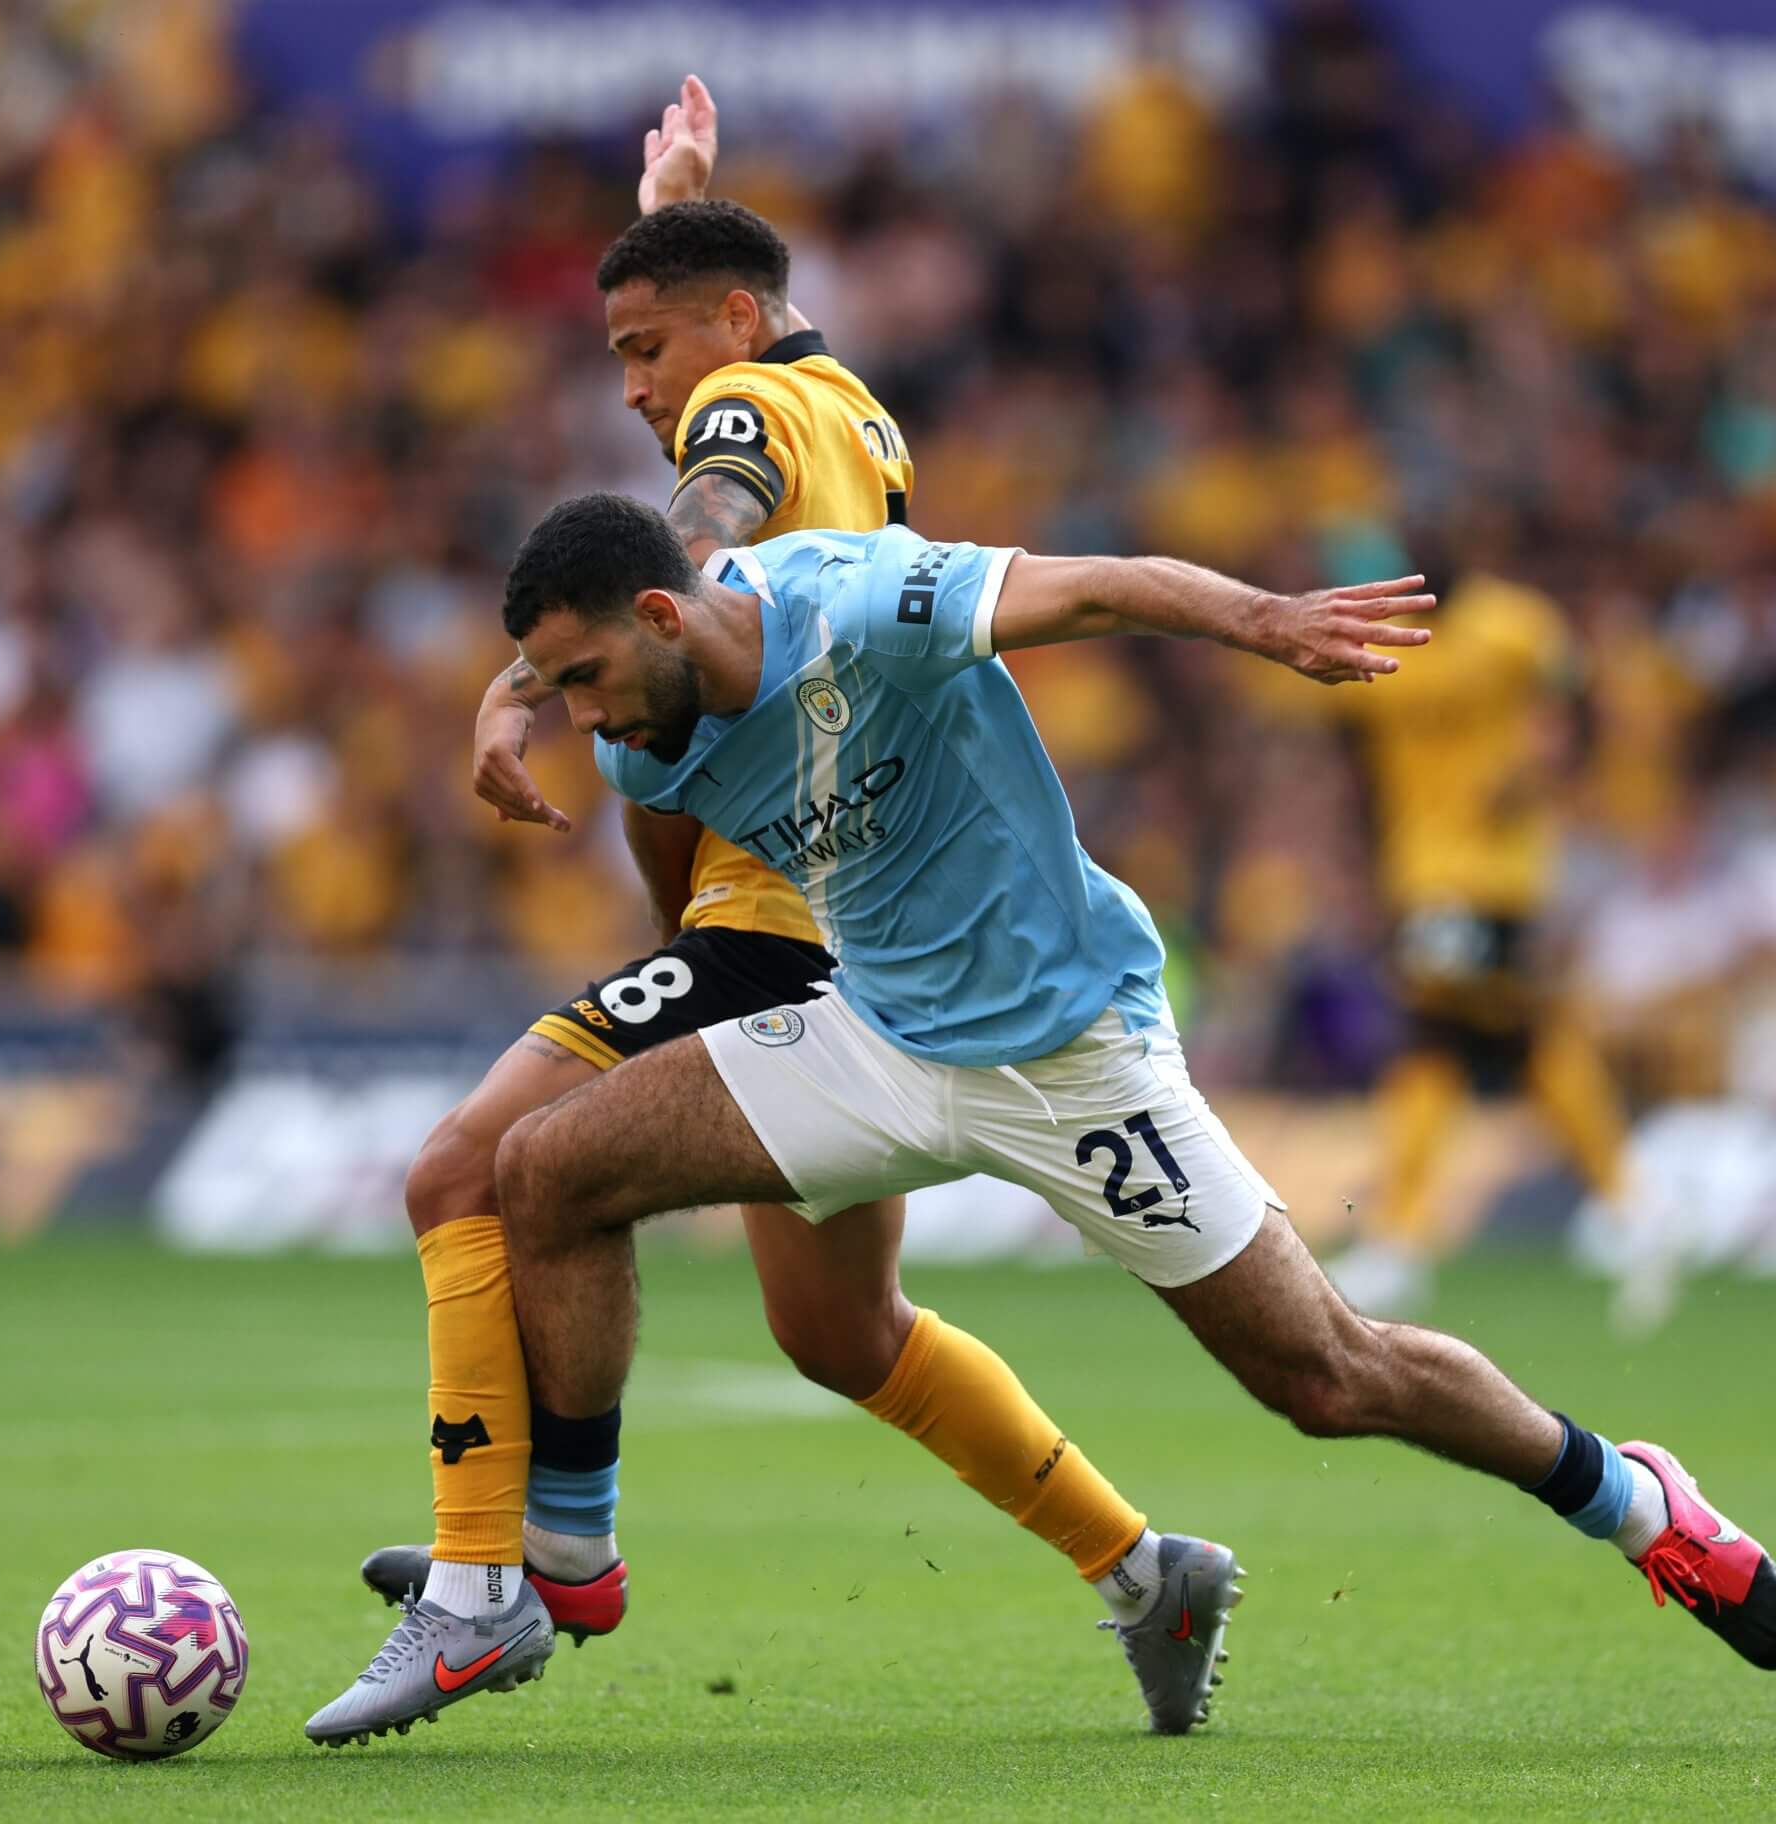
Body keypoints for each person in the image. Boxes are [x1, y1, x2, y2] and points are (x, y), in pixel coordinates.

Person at [307, 494, 1776, 1742]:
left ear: (658, 614)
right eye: (555, 691)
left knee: (1327, 1376)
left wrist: (1268, 621)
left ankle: (1634, 1502)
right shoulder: (641, 735)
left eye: (583, 678)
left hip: (1071, 1054)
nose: (583, 717)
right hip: (872, 1035)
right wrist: (513, 695)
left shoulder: (861, 602)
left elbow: (1092, 588)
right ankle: (567, 1550)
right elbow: (658, 812)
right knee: (546, 1170)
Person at [315, 81, 1206, 1744]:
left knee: (462, 1169)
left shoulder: (736, 415)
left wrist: (523, 681)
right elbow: (738, 365)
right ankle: (1146, 1568)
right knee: (840, 1330)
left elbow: (700, 526)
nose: (636, 388)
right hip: (847, 913)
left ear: (728, 326)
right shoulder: (838, 399)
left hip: (777, 911)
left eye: (641, 349)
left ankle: (497, 1582)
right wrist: (678, 213)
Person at [1314, 536, 1671, 1331]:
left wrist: (1544, 764)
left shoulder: (1514, 628)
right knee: (1503, 1041)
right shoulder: (1377, 638)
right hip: (1423, 874)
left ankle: (1401, 1241)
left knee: (1439, 1037)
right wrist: (1369, 862)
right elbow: (1359, 762)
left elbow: (1580, 703)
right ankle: (1632, 1208)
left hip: (1493, 873)